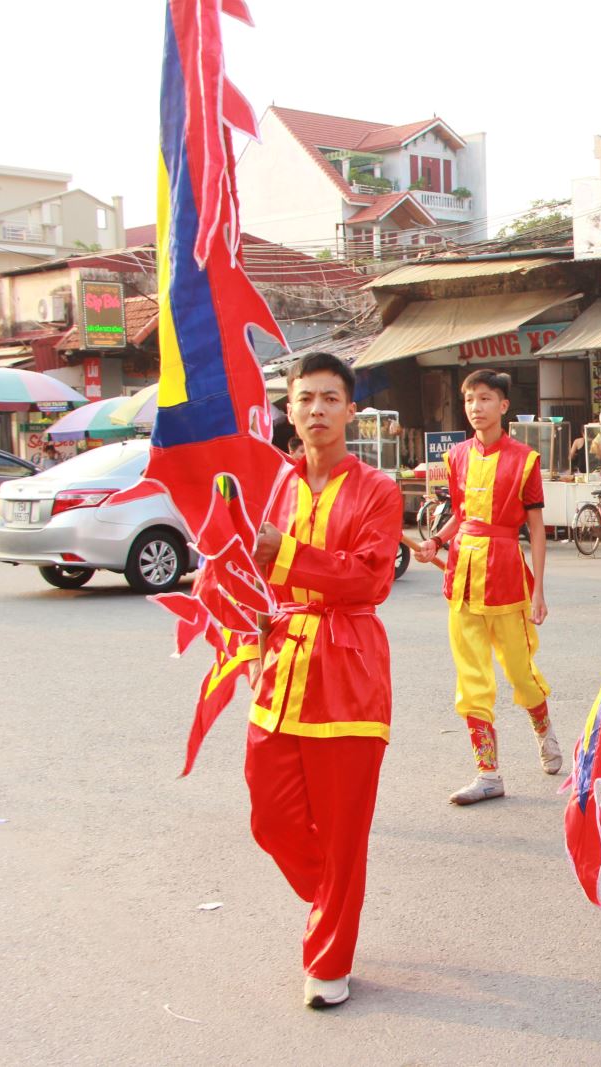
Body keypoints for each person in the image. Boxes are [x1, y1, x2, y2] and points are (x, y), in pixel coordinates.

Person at [246, 352, 404, 1009]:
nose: (316, 409)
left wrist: (282, 552)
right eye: (304, 398)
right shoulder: (272, 484)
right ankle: (336, 897)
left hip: (348, 671)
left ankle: (329, 958)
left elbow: (369, 576)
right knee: (271, 816)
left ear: (350, 410)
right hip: (280, 666)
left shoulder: (378, 489)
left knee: (343, 830)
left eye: (329, 398)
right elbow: (252, 573)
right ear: (288, 408)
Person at [414, 370, 560, 805]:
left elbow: (535, 527)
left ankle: (543, 727)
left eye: (484, 398)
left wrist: (538, 590)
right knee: (471, 678)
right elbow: (460, 514)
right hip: (460, 574)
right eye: (469, 400)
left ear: (503, 406)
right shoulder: (456, 456)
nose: (475, 407)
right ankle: (488, 772)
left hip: (506, 576)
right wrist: (436, 540)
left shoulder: (526, 460)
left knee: (520, 671)